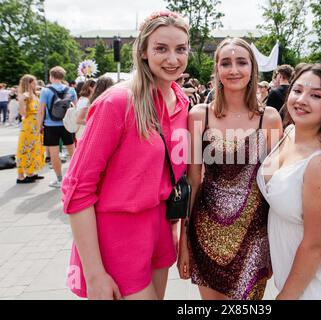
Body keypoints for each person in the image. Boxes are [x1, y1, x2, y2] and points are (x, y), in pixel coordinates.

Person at [61, 10, 190, 300]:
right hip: (118, 233)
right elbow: (77, 187)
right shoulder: (118, 102)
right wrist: (94, 274)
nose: (173, 59)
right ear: (143, 51)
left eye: (180, 49)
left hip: (160, 229)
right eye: (161, 48)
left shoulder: (182, 101)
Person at [178, 37, 283, 300]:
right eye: (226, 63)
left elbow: (276, 187)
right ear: (217, 69)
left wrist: (277, 244)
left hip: (255, 236)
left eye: (241, 62)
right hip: (205, 233)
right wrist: (184, 240)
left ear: (252, 69)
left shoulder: (269, 118)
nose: (233, 70)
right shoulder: (198, 115)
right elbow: (192, 180)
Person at [257, 63, 321, 300]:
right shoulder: (290, 132)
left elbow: (315, 245)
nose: (302, 99)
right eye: (297, 90)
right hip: (291, 264)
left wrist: (286, 296)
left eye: (316, 95)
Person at [38, 66, 77, 188]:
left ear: (51, 76)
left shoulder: (45, 91)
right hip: (66, 124)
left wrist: (39, 126)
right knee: (73, 151)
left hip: (50, 125)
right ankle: (76, 177)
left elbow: (41, 111)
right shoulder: (71, 90)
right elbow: (76, 109)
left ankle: (60, 179)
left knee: (54, 153)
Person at [15, 75, 45, 184]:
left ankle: (31, 173)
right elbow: (22, 113)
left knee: (34, 148)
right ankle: (20, 176)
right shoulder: (23, 96)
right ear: (28, 83)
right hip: (29, 124)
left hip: (36, 124)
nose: (36, 84)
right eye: (34, 82)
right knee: (25, 148)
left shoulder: (35, 94)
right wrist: (23, 101)